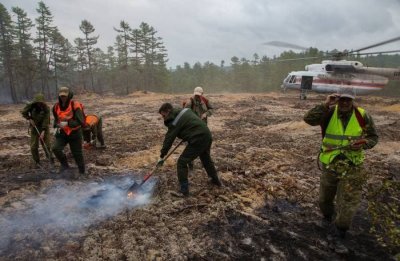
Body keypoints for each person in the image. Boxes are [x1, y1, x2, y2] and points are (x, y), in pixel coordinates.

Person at [303, 88, 378, 253]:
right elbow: (308, 119)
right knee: (324, 199)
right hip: (330, 163)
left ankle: (340, 233)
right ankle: (327, 218)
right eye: (341, 99)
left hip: (353, 165)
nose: (344, 103)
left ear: (353, 100)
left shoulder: (362, 115)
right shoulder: (328, 112)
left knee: (348, 201)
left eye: (348, 100)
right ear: (337, 99)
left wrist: (364, 144)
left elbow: (373, 137)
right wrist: (325, 104)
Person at [158, 102, 222, 196]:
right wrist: (188, 130)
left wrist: (162, 155)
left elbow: (169, 138)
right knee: (206, 159)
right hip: (206, 134)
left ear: (168, 111)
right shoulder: (185, 110)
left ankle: (184, 191)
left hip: (198, 138)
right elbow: (193, 119)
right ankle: (216, 181)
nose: (164, 118)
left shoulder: (174, 121)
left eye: (164, 116)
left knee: (182, 162)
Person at [51, 87, 86, 178]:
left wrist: (68, 123)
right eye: (61, 96)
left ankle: (82, 172)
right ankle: (65, 166)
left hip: (75, 133)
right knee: (55, 148)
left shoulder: (75, 105)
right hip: (62, 133)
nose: (63, 97)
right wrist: (57, 125)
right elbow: (56, 120)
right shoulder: (55, 107)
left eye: (65, 96)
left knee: (77, 153)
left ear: (69, 95)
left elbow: (81, 122)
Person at [184, 86, 214, 170]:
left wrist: (206, 114)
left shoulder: (205, 100)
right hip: (193, 127)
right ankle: (190, 164)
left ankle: (206, 161)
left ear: (202, 94)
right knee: (192, 144)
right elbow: (184, 114)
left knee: (206, 143)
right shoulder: (189, 102)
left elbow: (211, 109)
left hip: (203, 126)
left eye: (199, 95)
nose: (197, 96)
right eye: (196, 95)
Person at [21, 93, 54, 167]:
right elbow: (23, 112)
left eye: (40, 102)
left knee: (47, 145)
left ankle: (51, 160)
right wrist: (29, 119)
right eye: (38, 102)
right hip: (34, 127)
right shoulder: (31, 106)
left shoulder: (46, 108)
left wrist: (43, 131)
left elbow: (46, 120)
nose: (39, 104)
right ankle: (37, 162)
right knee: (33, 146)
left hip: (44, 128)